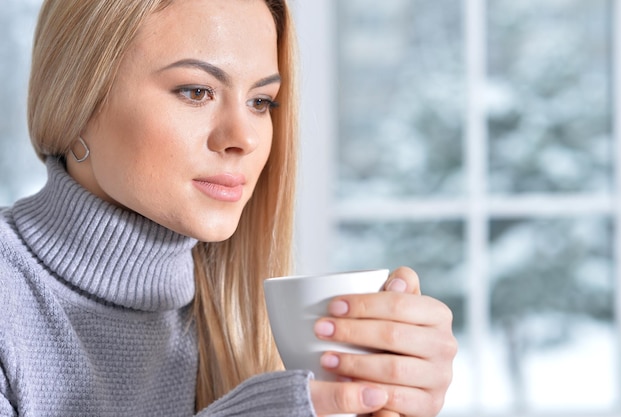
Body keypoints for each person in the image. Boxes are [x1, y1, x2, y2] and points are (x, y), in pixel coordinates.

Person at [0, 0, 457, 416]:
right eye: (197, 92)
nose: (245, 137)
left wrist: (392, 388)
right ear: (77, 99)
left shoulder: (250, 316)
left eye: (261, 102)